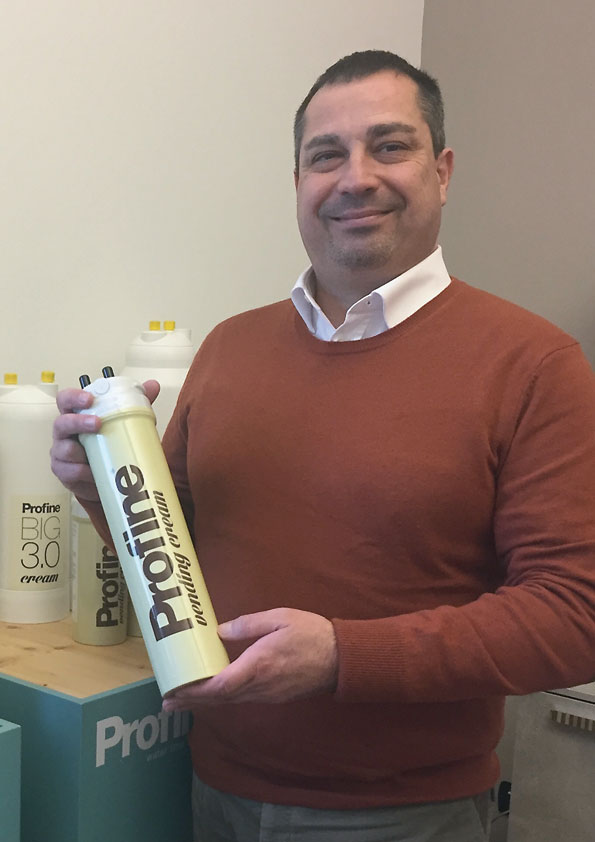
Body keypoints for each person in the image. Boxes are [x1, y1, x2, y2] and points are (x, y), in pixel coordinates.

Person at [51, 50, 595, 842]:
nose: (355, 178)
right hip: (211, 787)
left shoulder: (533, 363)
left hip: (406, 815)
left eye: (389, 146)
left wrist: (343, 655)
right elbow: (178, 555)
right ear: (299, 181)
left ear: (442, 171)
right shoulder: (229, 348)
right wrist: (98, 484)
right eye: (326, 155)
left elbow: (573, 615)